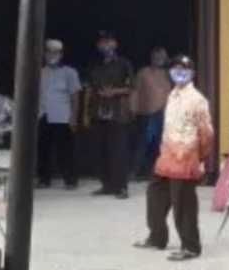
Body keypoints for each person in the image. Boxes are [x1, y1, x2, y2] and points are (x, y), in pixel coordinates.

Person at [135, 55, 212, 261]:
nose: (179, 72)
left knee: (183, 204)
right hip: (166, 156)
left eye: (184, 69)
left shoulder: (197, 100)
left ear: (192, 73)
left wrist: (201, 158)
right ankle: (157, 237)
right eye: (176, 68)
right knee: (155, 196)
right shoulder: (172, 95)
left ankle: (190, 246)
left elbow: (206, 133)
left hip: (185, 158)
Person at [85, 30, 133, 199]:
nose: (104, 45)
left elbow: (131, 87)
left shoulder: (123, 63)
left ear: (115, 44)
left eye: (108, 42)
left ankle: (121, 187)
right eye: (101, 43)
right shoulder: (95, 65)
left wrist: (114, 91)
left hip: (117, 112)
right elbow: (89, 89)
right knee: (99, 151)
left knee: (118, 151)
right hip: (98, 112)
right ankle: (107, 185)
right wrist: (85, 113)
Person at [37, 38, 83, 189]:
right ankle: (44, 179)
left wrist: (74, 118)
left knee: (65, 151)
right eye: (48, 51)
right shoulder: (40, 72)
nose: (51, 54)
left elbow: (75, 96)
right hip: (43, 115)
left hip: (62, 117)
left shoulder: (70, 72)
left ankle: (70, 180)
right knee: (43, 150)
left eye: (55, 52)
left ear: (61, 54)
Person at [129, 46, 171, 180]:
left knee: (162, 143)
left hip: (165, 112)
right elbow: (136, 91)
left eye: (162, 56)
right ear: (151, 57)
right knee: (143, 142)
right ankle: (136, 171)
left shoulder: (170, 74)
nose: (159, 59)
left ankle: (159, 172)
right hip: (147, 112)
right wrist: (133, 107)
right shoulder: (144, 73)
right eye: (156, 56)